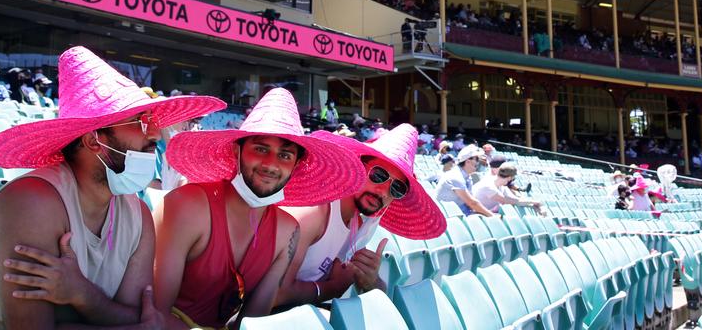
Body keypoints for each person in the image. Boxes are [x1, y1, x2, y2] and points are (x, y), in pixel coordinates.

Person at [0, 46, 224, 329]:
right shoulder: (31, 204)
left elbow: (138, 315)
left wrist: (82, 294)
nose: (156, 134)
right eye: (140, 121)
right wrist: (115, 317)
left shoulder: (139, 215)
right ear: (94, 140)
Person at [155, 88, 365, 329]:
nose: (271, 164)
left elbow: (253, 322)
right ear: (237, 151)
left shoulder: (287, 231)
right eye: (261, 149)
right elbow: (154, 314)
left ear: (296, 166)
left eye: (285, 155)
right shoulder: (188, 206)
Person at [278, 124, 446, 307]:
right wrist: (333, 288)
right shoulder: (314, 213)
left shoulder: (361, 224)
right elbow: (274, 294)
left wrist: (371, 281)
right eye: (378, 175)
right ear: (357, 166)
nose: (383, 191)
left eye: (397, 188)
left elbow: (378, 293)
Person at [435, 145, 494, 216]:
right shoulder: (455, 176)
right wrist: (492, 216)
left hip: (458, 214)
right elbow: (472, 203)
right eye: (477, 159)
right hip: (447, 217)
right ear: (468, 161)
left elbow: (472, 202)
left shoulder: (468, 177)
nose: (479, 163)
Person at [472, 162, 542, 214]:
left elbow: (517, 199)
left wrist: (536, 206)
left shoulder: (501, 185)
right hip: (478, 216)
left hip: (487, 215)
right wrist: (535, 202)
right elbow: (509, 201)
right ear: (510, 178)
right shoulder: (488, 185)